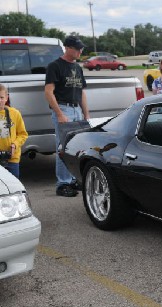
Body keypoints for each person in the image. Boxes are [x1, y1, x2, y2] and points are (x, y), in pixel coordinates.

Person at [44, 35, 89, 197]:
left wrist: (86, 113)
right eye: (77, 48)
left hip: (77, 109)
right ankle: (63, 183)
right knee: (63, 147)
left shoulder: (77, 67)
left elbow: (82, 92)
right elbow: (49, 92)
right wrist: (60, 114)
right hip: (64, 109)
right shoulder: (55, 66)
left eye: (81, 48)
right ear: (68, 48)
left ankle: (73, 180)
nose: (80, 51)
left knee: (76, 147)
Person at [0, 84, 28, 179]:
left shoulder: (15, 113)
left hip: (12, 158)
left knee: (13, 186)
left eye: (1, 97)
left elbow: (23, 134)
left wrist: (15, 144)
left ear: (6, 98)